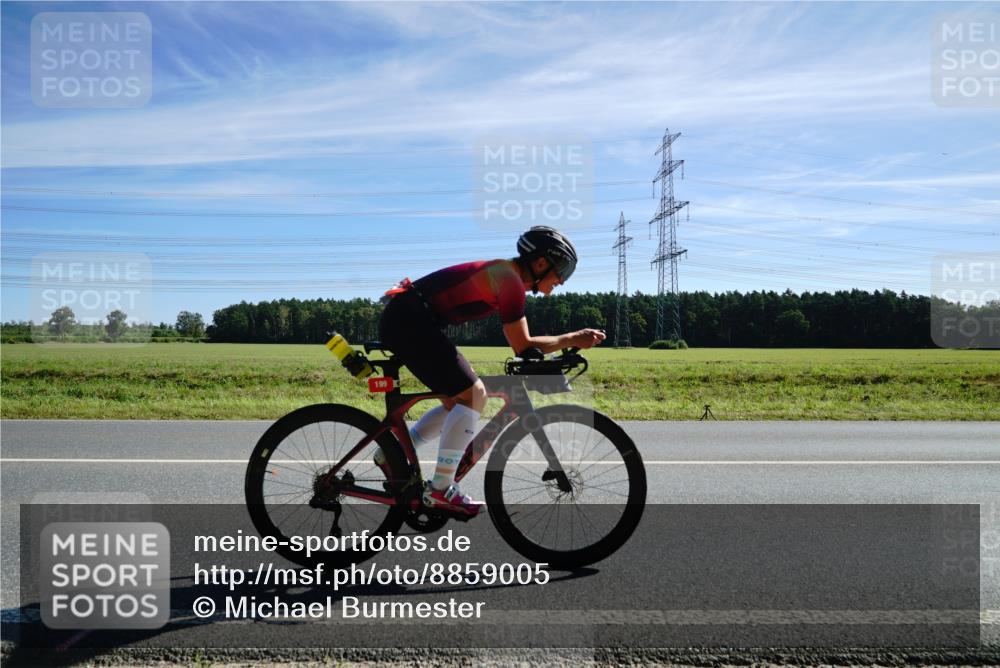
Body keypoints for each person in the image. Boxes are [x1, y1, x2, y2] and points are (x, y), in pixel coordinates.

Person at [375, 226, 605, 517]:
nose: (562, 281)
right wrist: (573, 338)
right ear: (541, 263)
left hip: (413, 319)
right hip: (410, 321)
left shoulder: (508, 275)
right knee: (474, 395)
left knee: (458, 402)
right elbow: (522, 345)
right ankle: (440, 489)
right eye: (562, 271)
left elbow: (524, 347)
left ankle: (391, 454)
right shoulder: (508, 280)